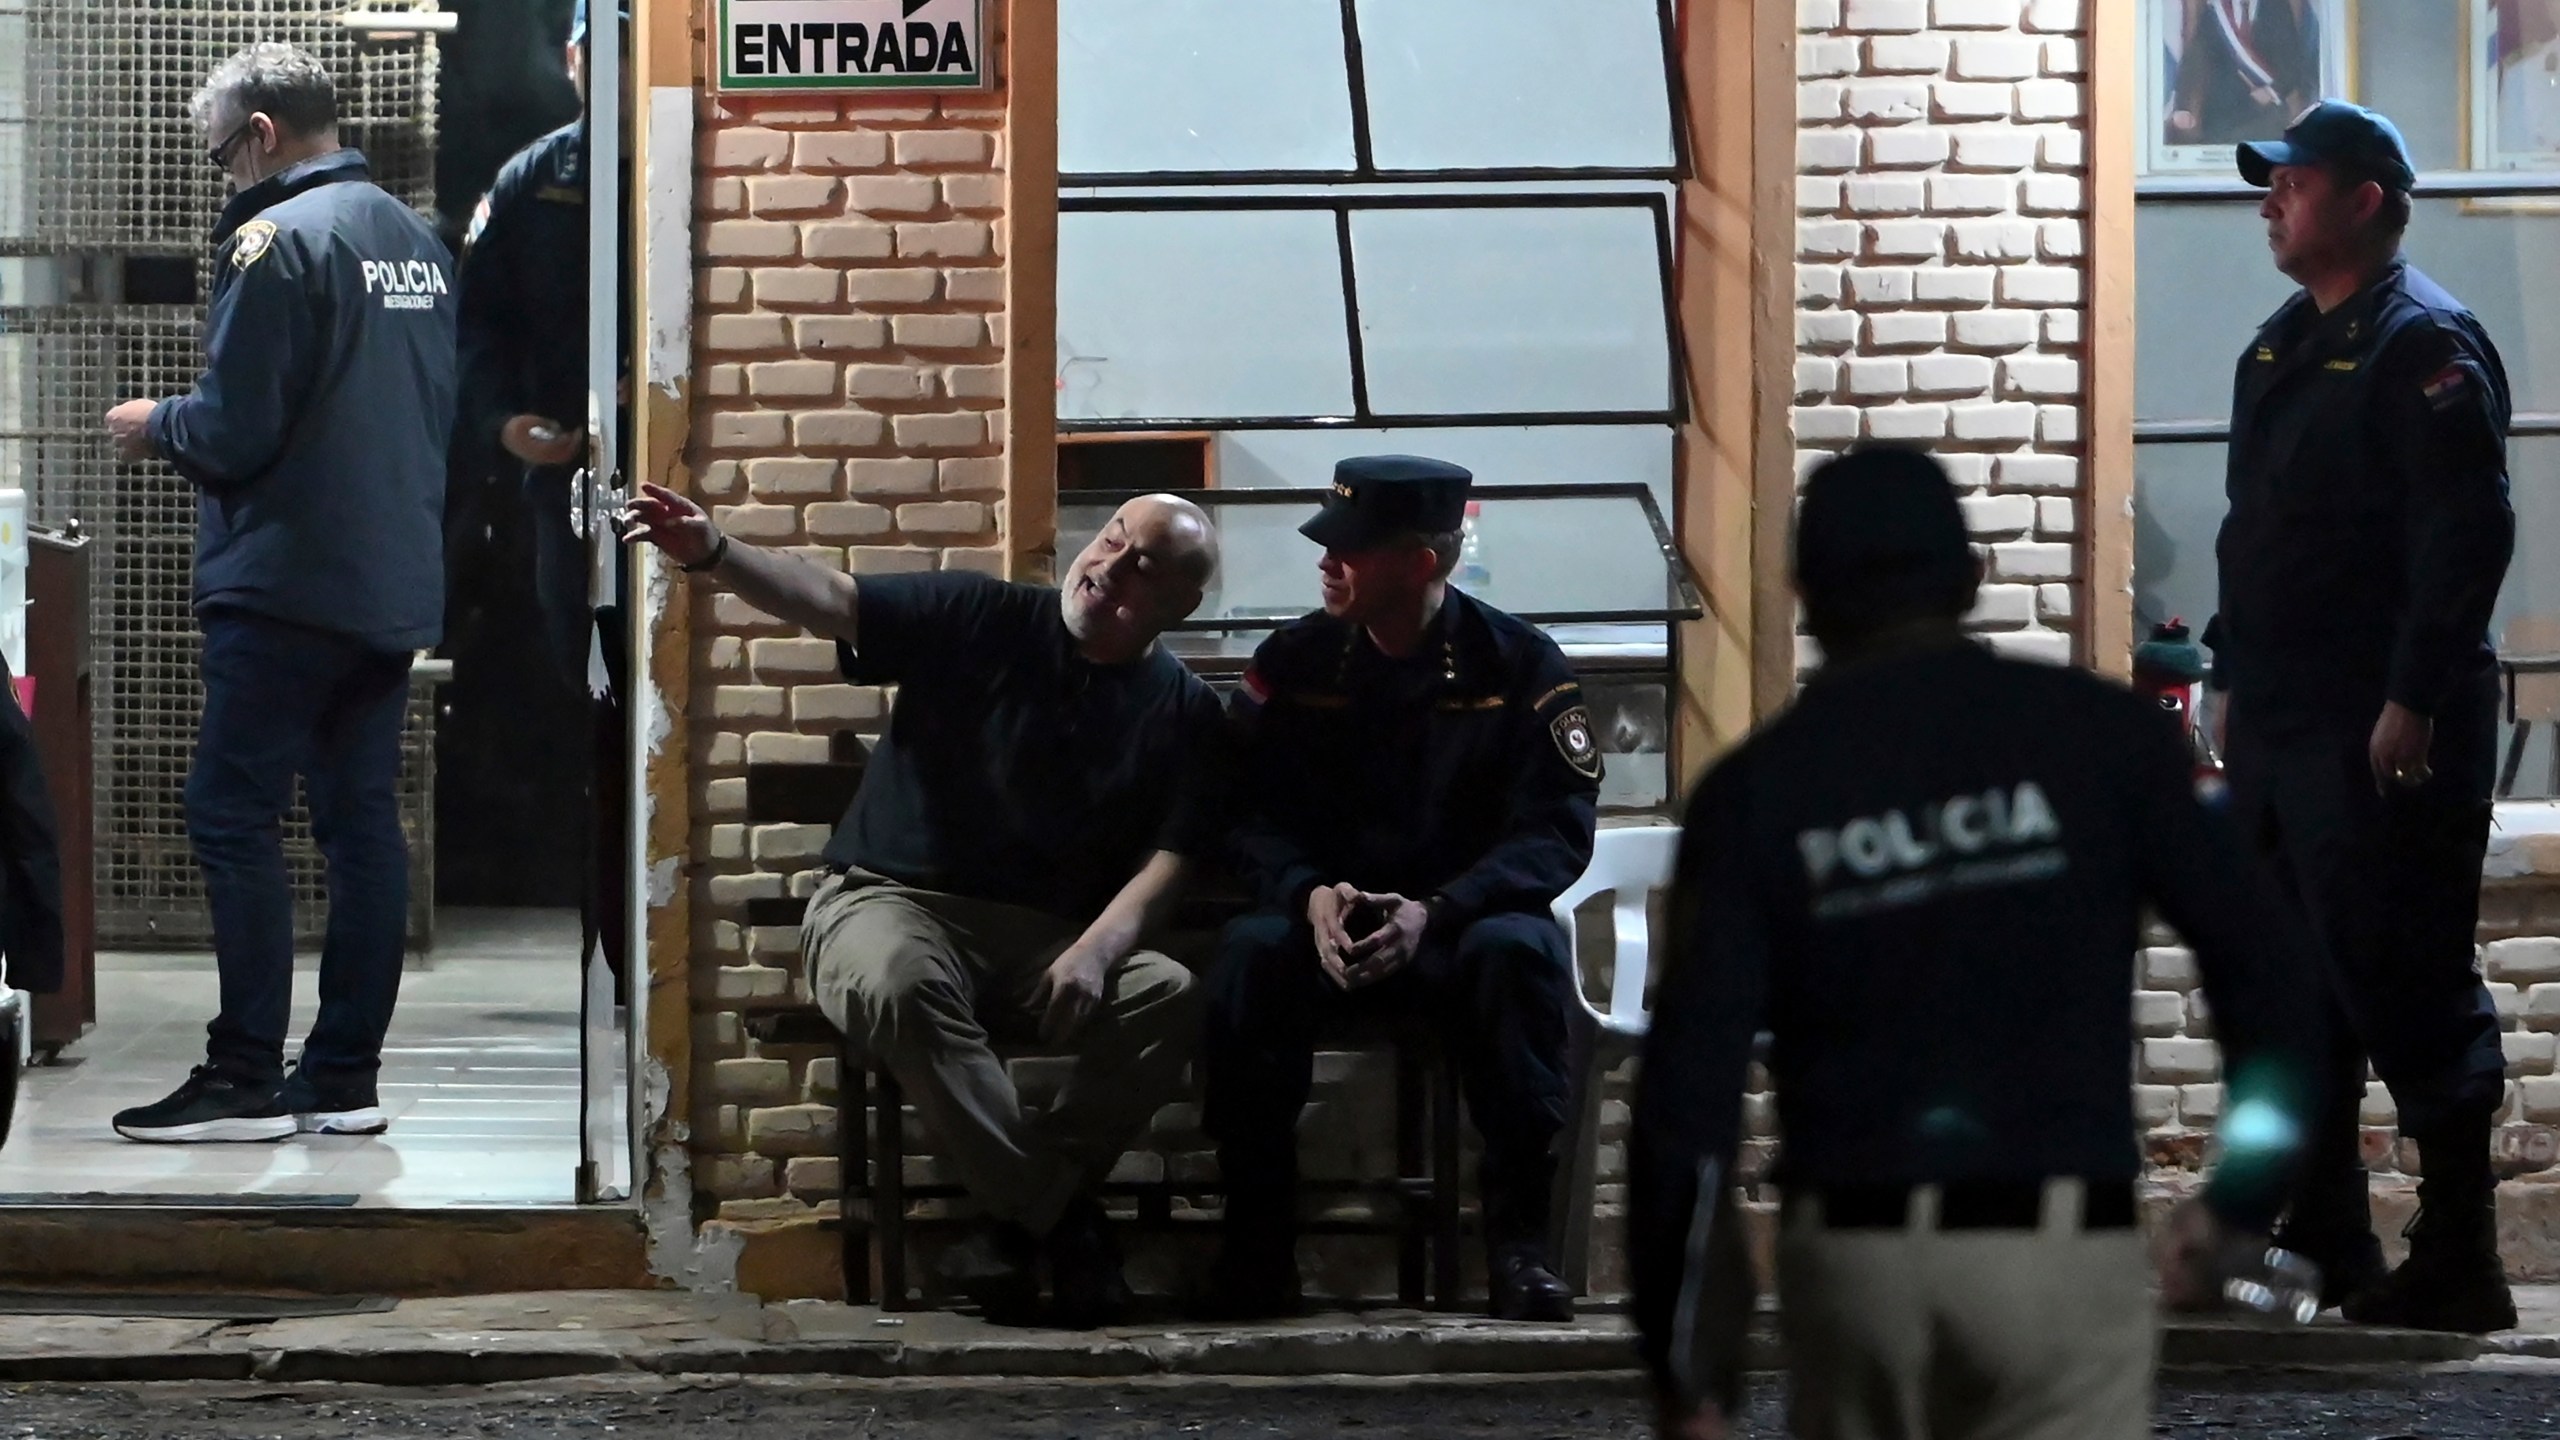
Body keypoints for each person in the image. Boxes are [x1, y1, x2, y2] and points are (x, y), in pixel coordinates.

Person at [1630, 446, 2322, 1440]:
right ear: (1969, 580)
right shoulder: (2105, 741)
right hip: (2055, 1253)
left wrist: (1690, 1362)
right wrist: (2237, 1202)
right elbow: (2274, 987)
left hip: (1853, 1263)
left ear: (1804, 596)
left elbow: (1686, 1097)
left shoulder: (1756, 792)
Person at [618, 483, 1222, 1328]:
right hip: (887, 904)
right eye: (1112, 538)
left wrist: (1097, 950)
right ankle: (1062, 1221)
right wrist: (716, 553)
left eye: (1144, 564)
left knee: (1167, 992)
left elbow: (1173, 856)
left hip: (1044, 941)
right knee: (900, 980)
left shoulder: (1188, 710)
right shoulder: (982, 613)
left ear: (1181, 603)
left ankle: (1017, 1225)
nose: (1108, 566)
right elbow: (832, 599)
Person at [100, 43, 453, 1143]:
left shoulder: (277, 240)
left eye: (218, 159)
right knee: (361, 827)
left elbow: (238, 423)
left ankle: (242, 1074)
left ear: (259, 133)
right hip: (390, 576)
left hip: (287, 580)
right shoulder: (416, 241)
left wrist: (154, 423)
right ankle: (342, 1076)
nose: (220, 181)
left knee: (229, 812)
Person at [2207, 101, 2520, 1332]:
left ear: (2367, 201)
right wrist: (2229, 678)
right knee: (2295, 986)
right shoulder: (2281, 346)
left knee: (2404, 977)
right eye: (2267, 183)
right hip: (2282, 725)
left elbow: (2466, 537)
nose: (2268, 201)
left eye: (2291, 180)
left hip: (2381, 725)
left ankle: (2458, 1257)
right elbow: (2257, 538)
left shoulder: (2423, 343)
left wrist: (2413, 697)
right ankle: (2327, 1240)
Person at [1199, 456, 1598, 1323]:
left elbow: (1557, 830)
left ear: (1421, 562)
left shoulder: (1519, 663)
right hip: (1324, 927)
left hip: (1458, 927)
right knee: (1247, 956)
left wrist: (1440, 909)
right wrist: (1305, 893)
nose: (1326, 563)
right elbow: (1236, 810)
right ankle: (1257, 1247)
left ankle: (1518, 1250)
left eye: (1350, 549)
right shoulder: (1297, 660)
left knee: (1521, 952)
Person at [453, 0, 631, 993]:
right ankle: (610, 932)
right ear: (569, 59)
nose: (601, 71)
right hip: (568, 487)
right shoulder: (534, 180)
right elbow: (476, 328)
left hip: (669, 486)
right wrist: (503, 424)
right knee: (589, 692)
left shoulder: (683, 161)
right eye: (589, 53)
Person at [2168, 0, 2322, 148]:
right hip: (2221, 117)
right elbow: (2194, 62)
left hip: (2267, 115)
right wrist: (2183, 107)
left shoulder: (2277, 6)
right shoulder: (2216, 11)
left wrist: (2272, 91)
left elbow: (2293, 60)